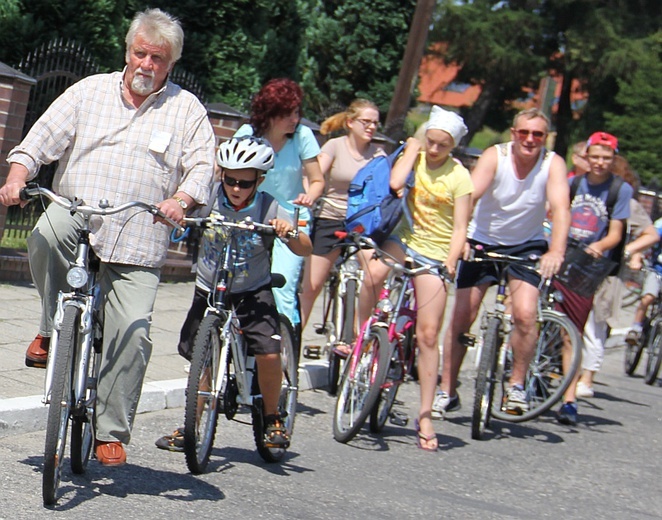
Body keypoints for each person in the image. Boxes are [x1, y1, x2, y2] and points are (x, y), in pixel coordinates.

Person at [0, 8, 215, 466]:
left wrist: (181, 199)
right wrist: (18, 176)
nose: (146, 65)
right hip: (78, 216)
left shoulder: (186, 109)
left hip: (139, 238)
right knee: (45, 233)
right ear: (127, 51)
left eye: (157, 58)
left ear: (170, 63)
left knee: (134, 331)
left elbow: (203, 167)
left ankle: (110, 431)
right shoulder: (89, 91)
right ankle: (47, 329)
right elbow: (37, 142)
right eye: (141, 53)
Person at [156, 136, 312, 451]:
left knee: (269, 351)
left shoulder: (270, 206)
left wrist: (288, 231)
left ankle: (272, 418)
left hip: (251, 291)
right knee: (201, 358)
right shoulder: (210, 197)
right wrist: (180, 217)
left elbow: (305, 247)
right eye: (230, 180)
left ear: (260, 180)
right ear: (221, 175)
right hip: (209, 288)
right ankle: (191, 427)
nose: (236, 188)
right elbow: (181, 221)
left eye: (244, 182)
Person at [437, 108, 570, 420]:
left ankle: (516, 385)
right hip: (483, 239)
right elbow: (470, 196)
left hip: (527, 245)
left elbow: (562, 209)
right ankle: (446, 390)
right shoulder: (495, 156)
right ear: (513, 133)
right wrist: (461, 239)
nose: (529, 139)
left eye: (537, 134)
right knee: (461, 318)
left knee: (525, 314)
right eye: (524, 132)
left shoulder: (553, 164)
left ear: (544, 138)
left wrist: (557, 252)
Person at [357, 106, 473, 451]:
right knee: (373, 274)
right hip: (404, 239)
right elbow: (395, 183)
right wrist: (412, 147)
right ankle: (362, 337)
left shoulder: (459, 177)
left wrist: (451, 261)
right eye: (431, 141)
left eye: (442, 145)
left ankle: (424, 414)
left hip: (435, 252)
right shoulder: (417, 155)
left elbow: (461, 227)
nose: (434, 150)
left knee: (427, 334)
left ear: (453, 147)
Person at [234, 79, 324, 349]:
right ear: (270, 113)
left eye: (298, 112)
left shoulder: (302, 138)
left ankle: (283, 351)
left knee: (282, 286)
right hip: (251, 217)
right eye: (288, 114)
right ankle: (231, 345)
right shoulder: (248, 133)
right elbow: (227, 172)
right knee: (236, 284)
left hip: (289, 217)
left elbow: (317, 180)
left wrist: (311, 195)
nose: (295, 120)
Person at [553, 132, 633, 425]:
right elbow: (553, 214)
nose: (599, 163)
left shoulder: (618, 190)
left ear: (614, 160)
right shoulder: (573, 183)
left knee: (571, 331)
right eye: (594, 157)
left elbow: (615, 233)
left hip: (587, 264)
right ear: (585, 156)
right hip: (562, 254)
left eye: (606, 158)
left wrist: (598, 246)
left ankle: (569, 399)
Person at [299, 99, 385, 337]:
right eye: (365, 122)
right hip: (331, 217)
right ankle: (290, 345)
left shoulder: (378, 154)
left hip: (362, 223)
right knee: (311, 287)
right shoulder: (335, 146)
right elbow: (315, 176)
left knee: (374, 273)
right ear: (350, 122)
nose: (371, 127)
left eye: (375, 123)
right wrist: (308, 196)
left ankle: (360, 336)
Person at [577, 155, 658, 398]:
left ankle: (587, 378)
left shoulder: (626, 203)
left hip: (605, 271)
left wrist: (627, 251)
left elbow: (651, 234)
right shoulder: (578, 191)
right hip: (575, 263)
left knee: (594, 324)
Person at [625, 217, 662, 347]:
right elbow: (646, 240)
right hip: (658, 270)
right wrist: (637, 257)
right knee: (648, 298)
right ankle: (636, 328)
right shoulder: (660, 225)